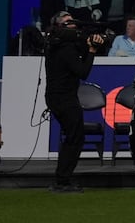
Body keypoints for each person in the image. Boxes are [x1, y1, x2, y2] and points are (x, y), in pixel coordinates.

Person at [45, 10, 107, 192]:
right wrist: (92, 51)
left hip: (58, 97)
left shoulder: (58, 44)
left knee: (73, 137)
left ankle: (62, 178)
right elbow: (83, 72)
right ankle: (62, 180)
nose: (73, 25)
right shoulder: (64, 48)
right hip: (63, 98)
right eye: (68, 22)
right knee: (75, 137)